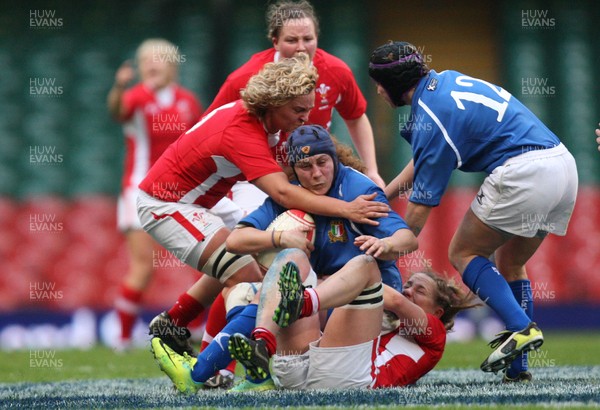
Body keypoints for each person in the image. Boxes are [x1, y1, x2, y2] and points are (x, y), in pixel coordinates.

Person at [140, 57, 390, 359]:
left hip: (204, 201)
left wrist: (355, 177)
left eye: (308, 109)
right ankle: (220, 362)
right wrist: (347, 208)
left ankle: (174, 323)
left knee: (253, 265)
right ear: (273, 102)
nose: (305, 117)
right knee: (248, 278)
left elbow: (302, 166)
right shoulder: (241, 131)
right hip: (165, 204)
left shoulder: (268, 120)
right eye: (298, 110)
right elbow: (283, 192)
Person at [148, 124, 417, 393]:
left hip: (368, 312)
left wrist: (384, 243)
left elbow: (408, 240)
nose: (316, 174)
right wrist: (279, 238)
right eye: (305, 167)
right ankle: (256, 359)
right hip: (317, 312)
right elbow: (235, 241)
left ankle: (207, 370)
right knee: (267, 275)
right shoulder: (290, 193)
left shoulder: (359, 189)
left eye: (322, 162)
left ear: (333, 159)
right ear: (294, 170)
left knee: (353, 267)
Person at [369, 41, 578, 382]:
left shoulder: (432, 117)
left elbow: (419, 215)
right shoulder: (443, 82)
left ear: (390, 84)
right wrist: (383, 195)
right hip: (563, 167)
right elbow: (423, 157)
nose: (377, 90)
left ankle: (521, 327)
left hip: (524, 172)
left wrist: (391, 247)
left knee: (463, 252)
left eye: (379, 82)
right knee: (511, 263)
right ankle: (517, 368)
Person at [227, 252, 477, 390]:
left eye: (419, 291)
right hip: (300, 371)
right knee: (294, 257)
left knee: (367, 266)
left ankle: (301, 302)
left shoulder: (435, 334)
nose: (408, 291)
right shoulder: (387, 327)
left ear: (438, 311)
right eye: (408, 285)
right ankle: (263, 343)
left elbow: (396, 301)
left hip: (347, 379)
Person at [106, 38, 203, 349]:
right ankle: (122, 339)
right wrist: (119, 87)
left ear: (173, 65)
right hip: (138, 189)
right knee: (143, 266)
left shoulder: (188, 101)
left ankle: (196, 327)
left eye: (157, 58)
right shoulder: (135, 97)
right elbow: (117, 112)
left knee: (201, 260)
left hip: (179, 191)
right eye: (144, 59)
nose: (150, 64)